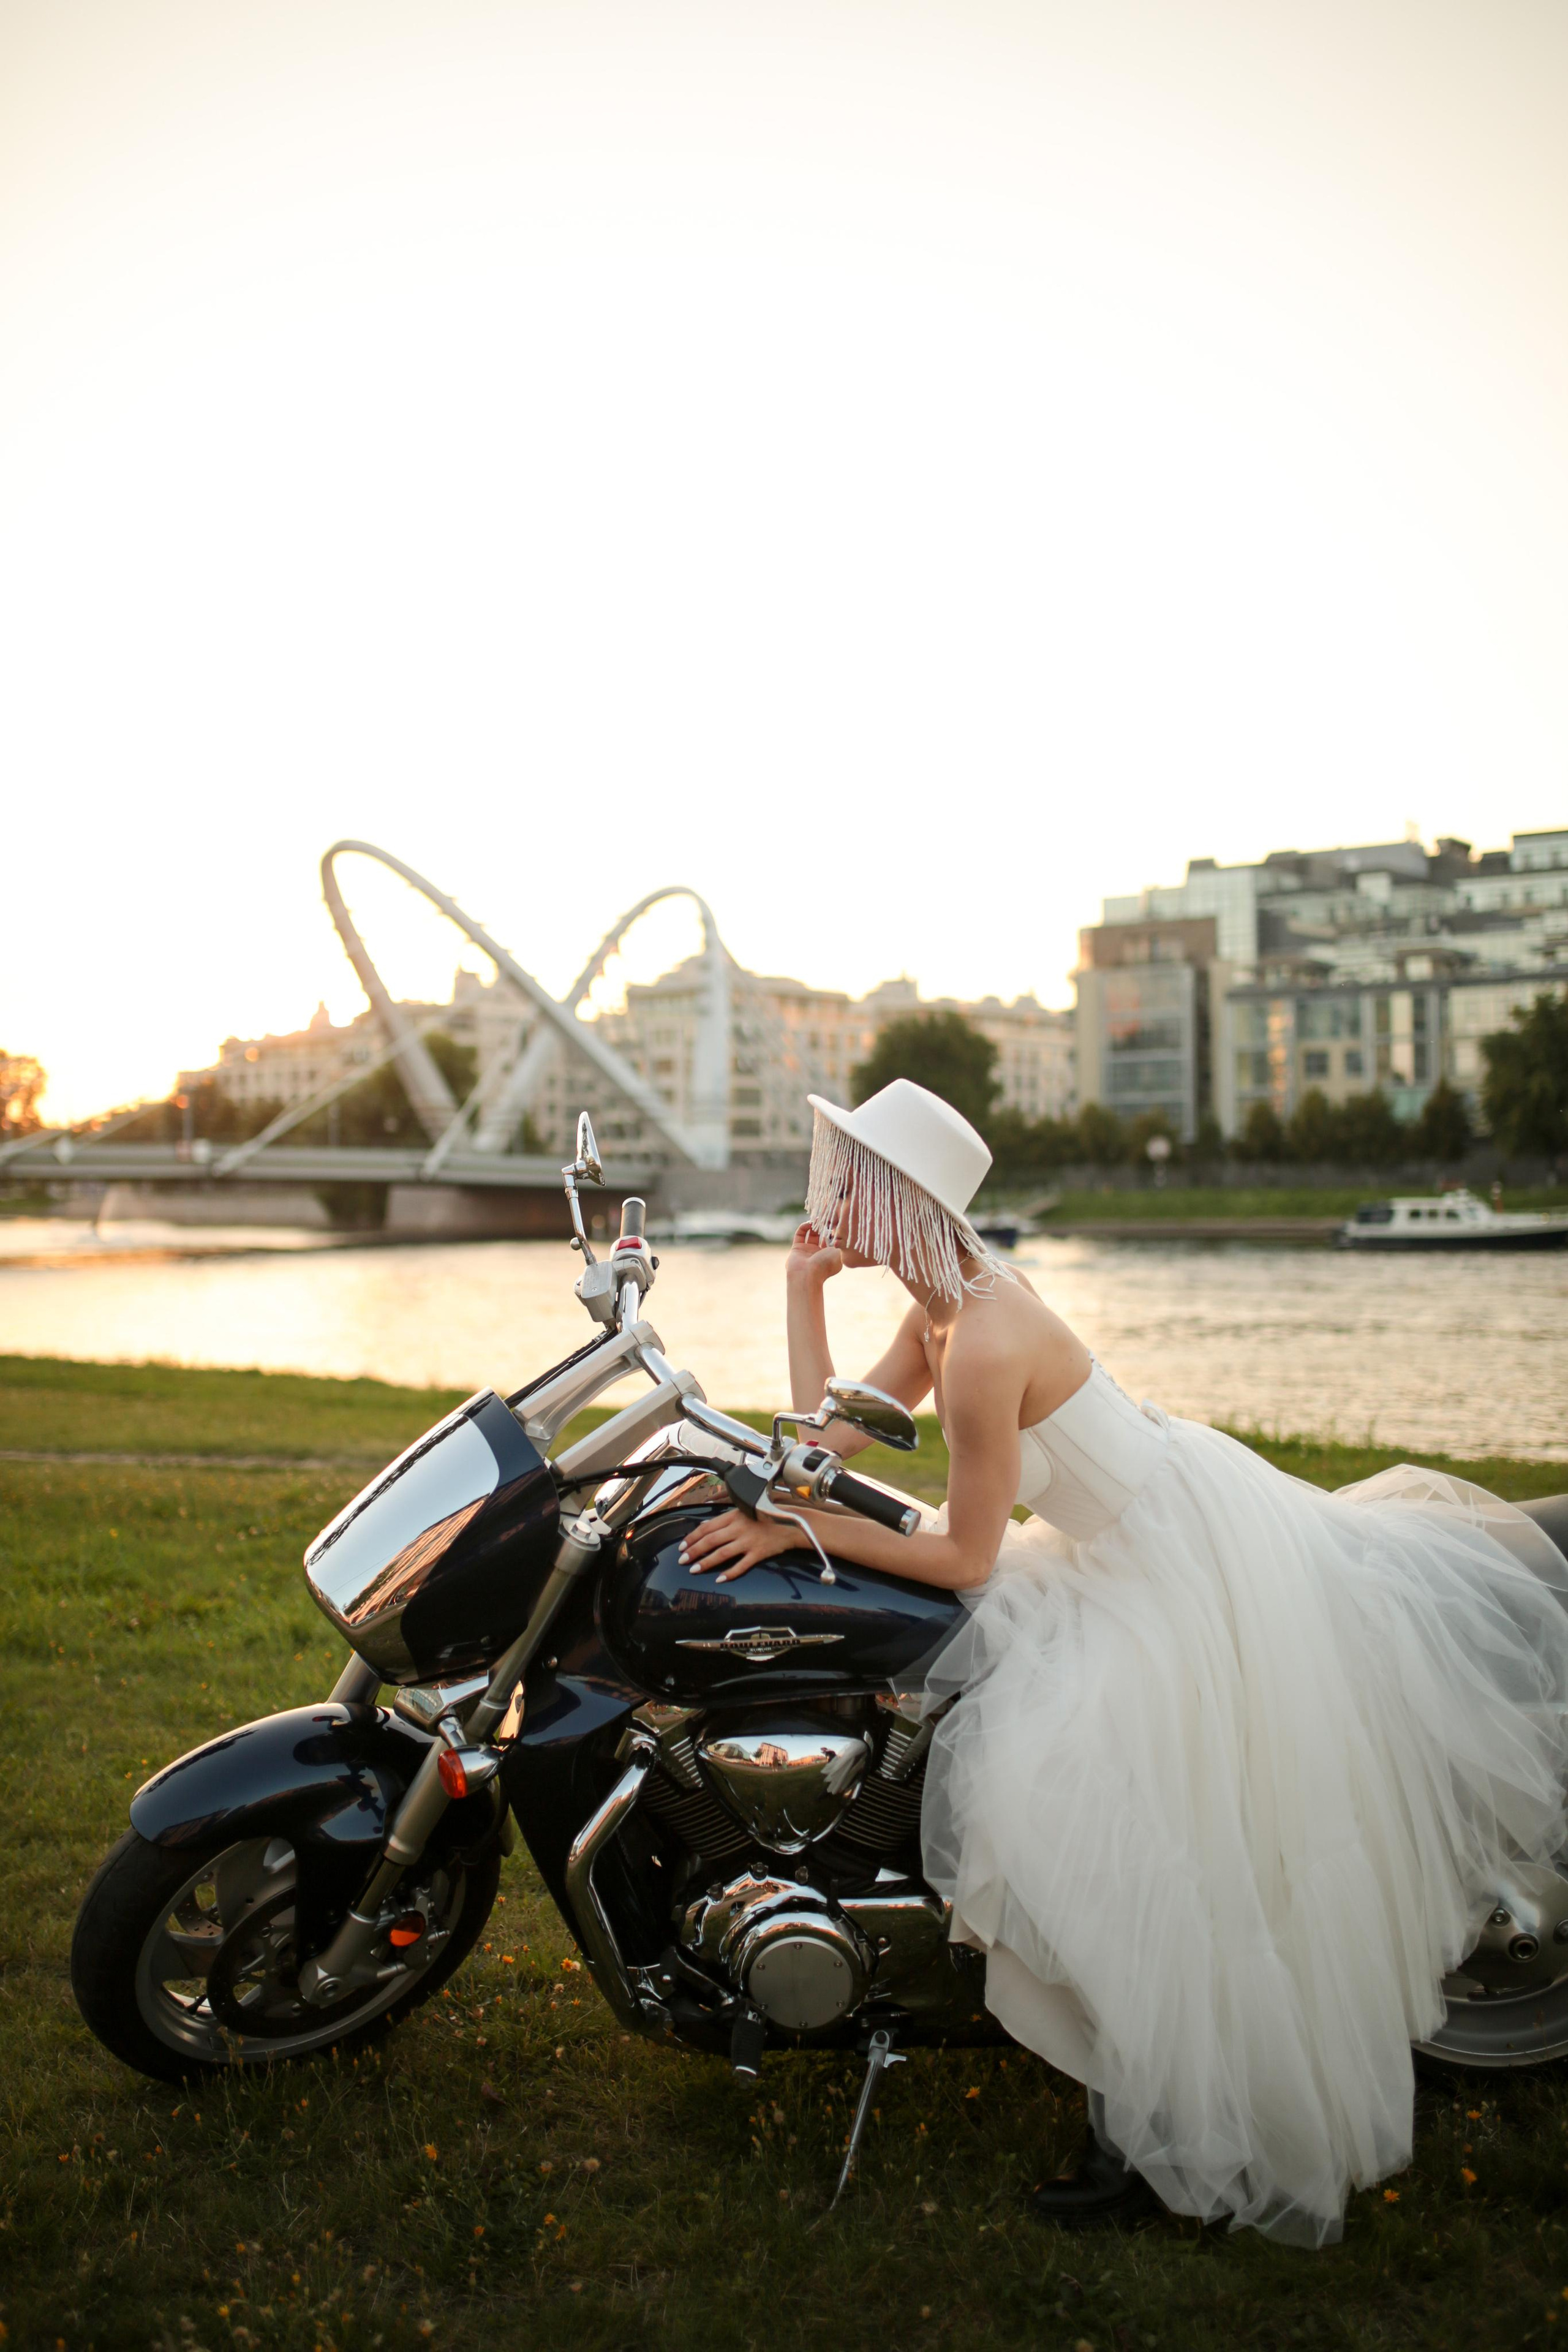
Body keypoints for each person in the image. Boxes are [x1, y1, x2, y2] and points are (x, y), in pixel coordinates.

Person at [679, 1078, 1568, 2245]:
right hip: (1115, 1541)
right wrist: (800, 1300)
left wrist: (794, 1529)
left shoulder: (985, 1337)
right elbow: (823, 1450)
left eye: (848, 1176)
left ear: (899, 1199)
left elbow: (963, 1555)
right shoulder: (934, 1303)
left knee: (1091, 1815)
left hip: (1169, 1567)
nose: (827, 1191)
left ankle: (1161, 2137)